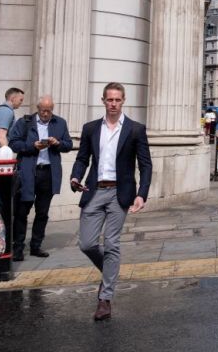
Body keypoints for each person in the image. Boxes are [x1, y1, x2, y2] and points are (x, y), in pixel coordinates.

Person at [70, 82, 152, 321]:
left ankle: (104, 299)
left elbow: (146, 165)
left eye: (117, 100)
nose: (113, 104)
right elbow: (82, 158)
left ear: (123, 100)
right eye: (109, 100)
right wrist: (75, 176)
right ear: (103, 101)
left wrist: (142, 194)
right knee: (86, 243)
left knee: (112, 244)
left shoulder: (136, 130)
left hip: (121, 193)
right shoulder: (91, 128)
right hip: (94, 191)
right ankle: (110, 271)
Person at [7, 95, 72, 261]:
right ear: (38, 108)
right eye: (43, 110)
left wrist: (57, 143)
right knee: (22, 212)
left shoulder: (60, 123)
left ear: (53, 109)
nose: (45, 114)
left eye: (49, 111)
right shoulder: (25, 122)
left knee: (42, 212)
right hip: (28, 173)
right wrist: (32, 146)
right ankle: (18, 247)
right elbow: (13, 143)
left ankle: (36, 246)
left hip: (48, 173)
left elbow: (68, 145)